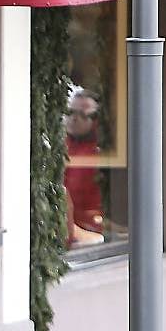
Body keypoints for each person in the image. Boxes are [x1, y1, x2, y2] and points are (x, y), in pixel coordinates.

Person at [63, 88, 105, 248]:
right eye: (71, 112)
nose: (74, 119)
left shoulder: (102, 154)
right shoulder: (58, 146)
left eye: (82, 114)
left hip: (91, 234)